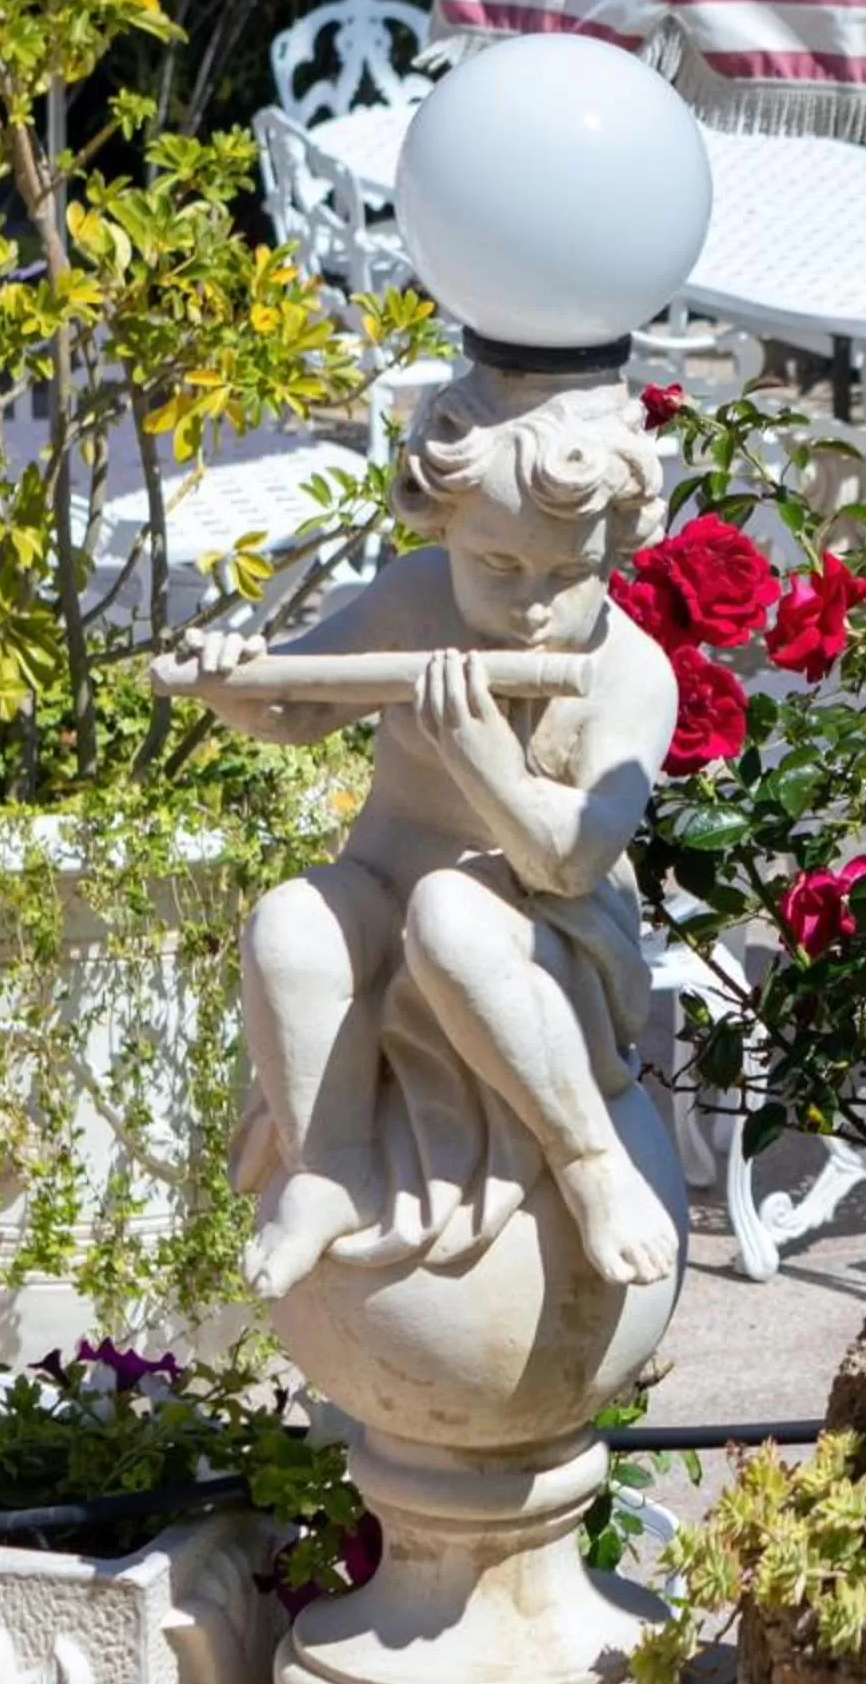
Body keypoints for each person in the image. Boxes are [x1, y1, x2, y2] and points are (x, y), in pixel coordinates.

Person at [175, 371, 680, 1299]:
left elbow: (568, 861)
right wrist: (229, 684)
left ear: (617, 550)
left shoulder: (629, 675)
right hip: (384, 894)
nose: (532, 605)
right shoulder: (414, 600)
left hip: (543, 930)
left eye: (568, 575)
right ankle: (332, 1166)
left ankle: (587, 1159)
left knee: (451, 912)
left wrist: (487, 765)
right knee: (290, 920)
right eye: (497, 566)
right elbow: (295, 709)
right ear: (444, 526)